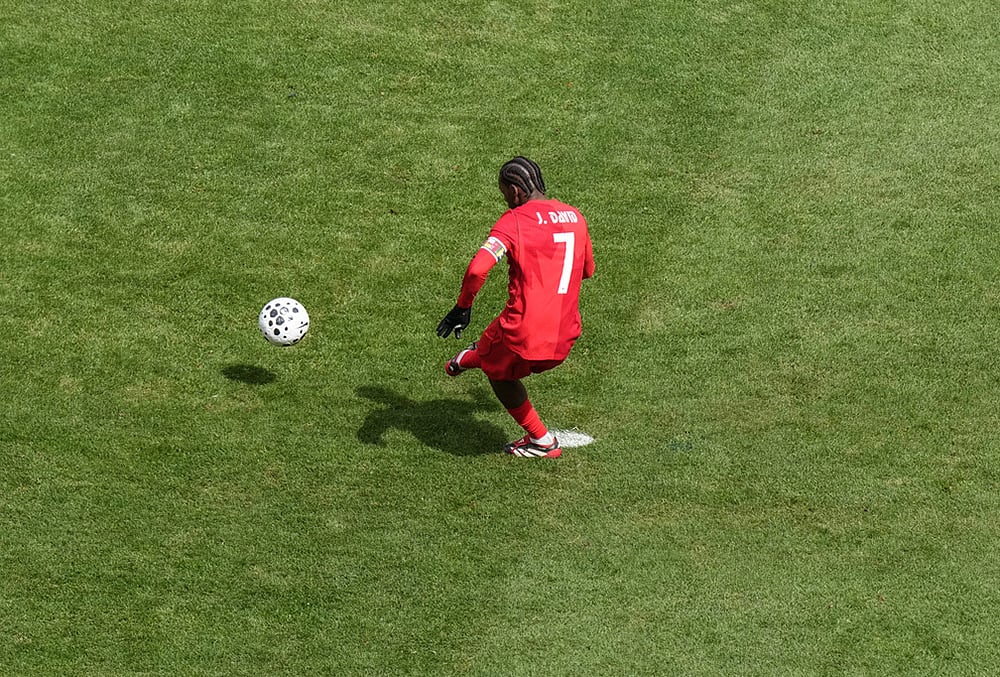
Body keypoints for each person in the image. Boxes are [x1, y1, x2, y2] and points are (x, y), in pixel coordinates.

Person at [436, 157, 594, 458]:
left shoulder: (514, 221)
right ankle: (469, 357)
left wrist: (462, 307)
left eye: (505, 194)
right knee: (497, 350)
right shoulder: (576, 216)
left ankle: (542, 441)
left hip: (524, 332)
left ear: (515, 190)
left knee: (499, 372)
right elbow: (587, 270)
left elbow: (476, 270)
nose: (506, 201)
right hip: (566, 332)